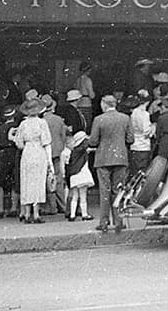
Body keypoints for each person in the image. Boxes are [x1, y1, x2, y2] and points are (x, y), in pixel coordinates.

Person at [89, 95, 133, 233]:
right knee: (118, 190)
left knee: (104, 190)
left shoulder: (98, 119)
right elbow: (131, 139)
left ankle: (104, 222)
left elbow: (93, 141)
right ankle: (119, 221)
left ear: (104, 104)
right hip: (120, 157)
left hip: (103, 158)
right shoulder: (125, 118)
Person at [14, 98, 52, 224]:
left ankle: (26, 213)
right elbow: (47, 142)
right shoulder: (42, 123)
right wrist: (50, 162)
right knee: (38, 182)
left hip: (27, 152)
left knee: (26, 182)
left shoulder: (23, 124)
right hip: (39, 151)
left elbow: (19, 143)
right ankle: (36, 214)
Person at [0, 105, 20, 218]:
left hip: (3, 155)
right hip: (15, 153)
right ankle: (14, 208)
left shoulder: (0, 128)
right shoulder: (18, 127)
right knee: (15, 181)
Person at [41, 95, 67, 216]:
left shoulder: (42, 121)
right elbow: (63, 136)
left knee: (47, 180)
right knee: (58, 178)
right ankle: (62, 205)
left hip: (45, 152)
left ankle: (51, 207)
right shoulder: (59, 119)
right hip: (58, 151)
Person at [65, 130, 94, 221]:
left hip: (74, 176)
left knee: (75, 196)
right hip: (82, 175)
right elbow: (88, 146)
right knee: (83, 196)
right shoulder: (83, 149)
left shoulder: (74, 151)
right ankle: (84, 214)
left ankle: (72, 215)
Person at [129, 89, 154, 176]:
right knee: (141, 172)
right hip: (143, 145)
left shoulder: (134, 113)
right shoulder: (144, 114)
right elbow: (146, 132)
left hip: (134, 145)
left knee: (134, 171)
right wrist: (153, 128)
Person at [76, 61, 96, 128]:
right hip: (86, 104)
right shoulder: (88, 80)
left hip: (79, 103)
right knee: (87, 124)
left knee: (81, 123)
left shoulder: (78, 80)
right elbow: (91, 95)